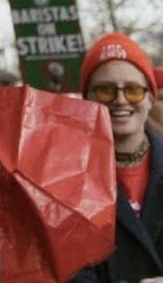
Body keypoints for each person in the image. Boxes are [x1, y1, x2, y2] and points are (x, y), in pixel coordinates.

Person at [70, 34, 163, 283]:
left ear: (150, 98)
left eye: (132, 90)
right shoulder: (63, 179)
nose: (120, 100)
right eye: (105, 90)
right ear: (87, 99)